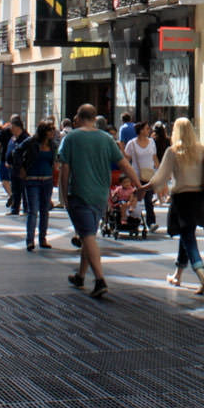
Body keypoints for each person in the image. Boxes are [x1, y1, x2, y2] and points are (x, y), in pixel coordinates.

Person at [57, 103, 141, 299]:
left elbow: (65, 170)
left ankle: (100, 279)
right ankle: (80, 275)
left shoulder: (70, 138)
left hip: (79, 193)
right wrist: (138, 184)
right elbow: (124, 164)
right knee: (89, 234)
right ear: (94, 119)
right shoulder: (106, 139)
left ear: (78, 118)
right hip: (101, 195)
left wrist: (63, 195)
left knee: (87, 236)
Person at [142, 117, 204, 294]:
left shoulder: (173, 151)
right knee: (187, 233)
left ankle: (201, 273)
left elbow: (160, 177)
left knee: (187, 236)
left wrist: (142, 188)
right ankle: (178, 274)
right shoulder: (201, 150)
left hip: (181, 198)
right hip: (197, 197)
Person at [21, 121, 58, 251]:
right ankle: (30, 240)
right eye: (50, 130)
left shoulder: (53, 145)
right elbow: (16, 152)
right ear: (44, 131)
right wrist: (21, 169)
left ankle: (43, 239)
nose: (53, 132)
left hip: (47, 180)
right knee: (33, 210)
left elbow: (55, 159)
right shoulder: (31, 142)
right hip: (32, 179)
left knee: (44, 210)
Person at [124, 121, 159, 229]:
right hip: (136, 176)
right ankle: (131, 219)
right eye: (147, 128)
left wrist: (160, 170)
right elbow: (126, 159)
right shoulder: (132, 143)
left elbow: (154, 158)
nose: (149, 131)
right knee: (134, 199)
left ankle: (151, 222)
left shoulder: (152, 142)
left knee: (148, 199)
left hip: (149, 175)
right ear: (140, 130)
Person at [1, 116, 30, 215]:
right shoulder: (13, 138)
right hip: (12, 168)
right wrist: (7, 161)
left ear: (18, 127)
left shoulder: (25, 138)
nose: (11, 130)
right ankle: (15, 209)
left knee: (24, 190)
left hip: (22, 168)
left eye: (12, 127)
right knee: (15, 190)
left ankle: (27, 209)